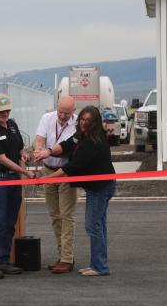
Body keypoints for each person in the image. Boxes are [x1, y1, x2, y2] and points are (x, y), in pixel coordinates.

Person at [34, 105, 116, 276]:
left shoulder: (93, 142)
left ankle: (100, 266)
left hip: (101, 187)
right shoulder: (81, 135)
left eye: (88, 121)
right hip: (97, 187)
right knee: (98, 226)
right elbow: (66, 144)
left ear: (95, 123)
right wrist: (47, 152)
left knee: (93, 226)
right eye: (82, 120)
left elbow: (71, 168)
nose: (84, 123)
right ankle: (98, 264)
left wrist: (46, 179)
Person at [0, 93, 36, 279]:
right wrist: (25, 172)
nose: (5, 113)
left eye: (7, 110)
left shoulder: (12, 125)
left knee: (10, 221)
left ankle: (3, 260)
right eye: (2, 111)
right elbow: (2, 159)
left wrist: (23, 155)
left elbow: (18, 147)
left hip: (13, 179)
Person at [33, 96, 78, 274]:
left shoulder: (77, 126)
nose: (62, 116)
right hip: (48, 170)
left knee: (66, 215)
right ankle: (63, 256)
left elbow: (67, 149)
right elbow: (39, 139)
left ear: (73, 112)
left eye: (66, 113)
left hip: (66, 173)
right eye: (60, 111)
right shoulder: (47, 118)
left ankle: (67, 258)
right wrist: (37, 148)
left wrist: (48, 152)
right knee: (55, 215)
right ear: (56, 108)